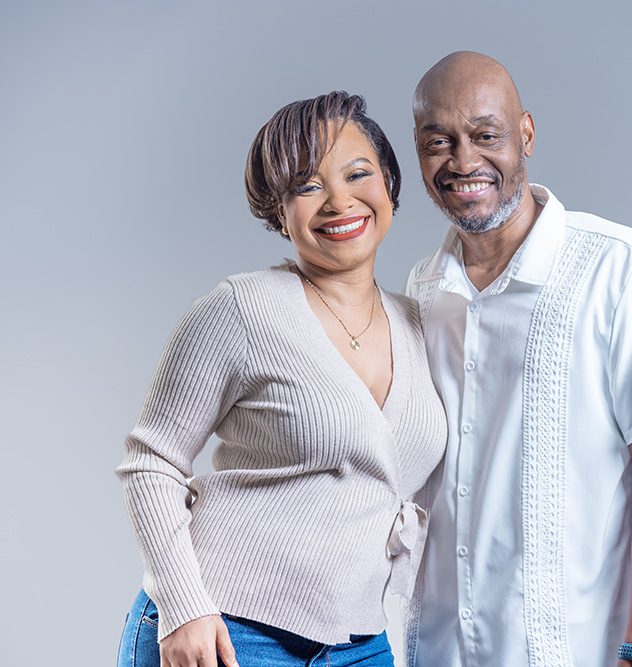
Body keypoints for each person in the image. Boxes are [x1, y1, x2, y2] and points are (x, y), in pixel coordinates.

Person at [115, 91, 447, 667]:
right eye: (307, 185)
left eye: (357, 173)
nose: (338, 200)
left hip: (358, 642)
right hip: (226, 628)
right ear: (278, 209)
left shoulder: (421, 322)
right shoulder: (242, 308)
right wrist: (185, 606)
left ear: (390, 185)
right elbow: (151, 462)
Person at [404, 52, 632, 667]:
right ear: (418, 151)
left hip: (572, 651)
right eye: (440, 142)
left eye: (486, 135)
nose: (463, 162)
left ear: (527, 135)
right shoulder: (421, 290)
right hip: (433, 650)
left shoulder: (623, 267)